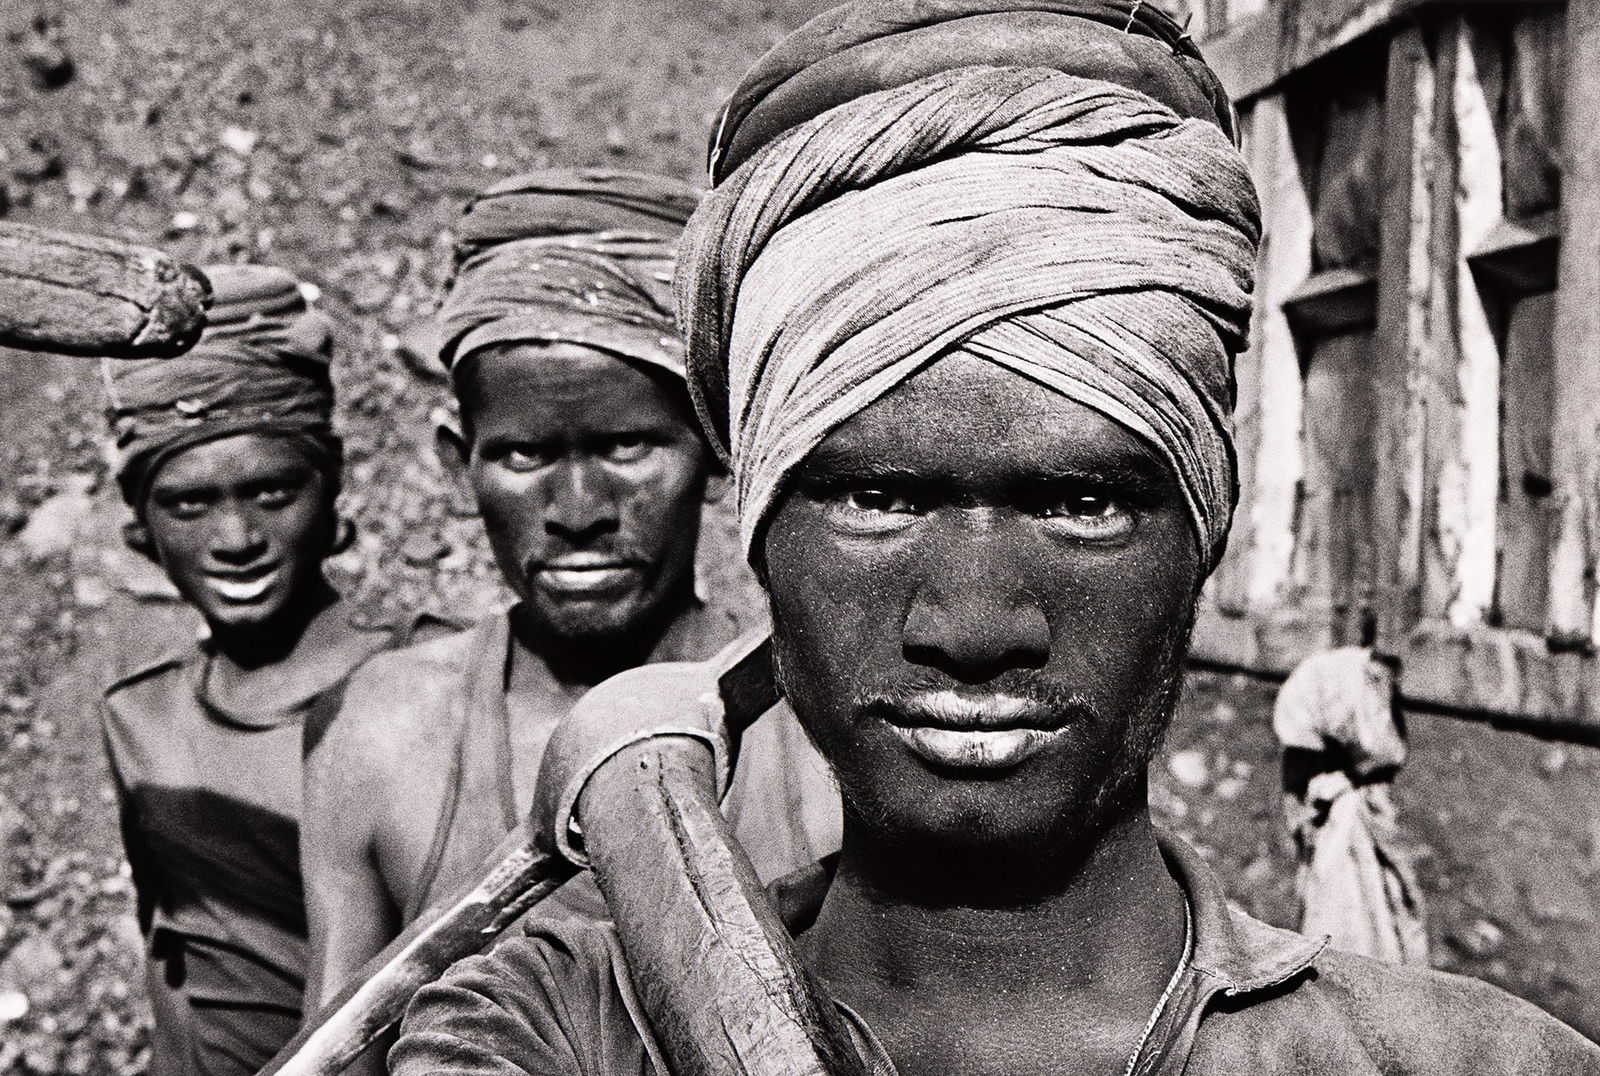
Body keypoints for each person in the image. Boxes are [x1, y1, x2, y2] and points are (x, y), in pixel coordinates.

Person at [389, 4, 1600, 1075]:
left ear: (1205, 530)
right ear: (756, 531)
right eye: (879, 498)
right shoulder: (559, 1026)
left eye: (1082, 503)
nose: (972, 624)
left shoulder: (1471, 1058)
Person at [300, 169, 840, 1030]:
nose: (579, 512)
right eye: (523, 457)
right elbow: (339, 1046)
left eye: (628, 446)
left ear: (718, 449)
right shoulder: (385, 733)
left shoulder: (818, 735)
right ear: (456, 460)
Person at [100, 264, 399, 1076]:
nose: (236, 539)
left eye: (272, 491)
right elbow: (176, 963)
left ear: (331, 486)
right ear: (141, 528)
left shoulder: (424, 683)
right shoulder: (141, 718)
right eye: (188, 505)